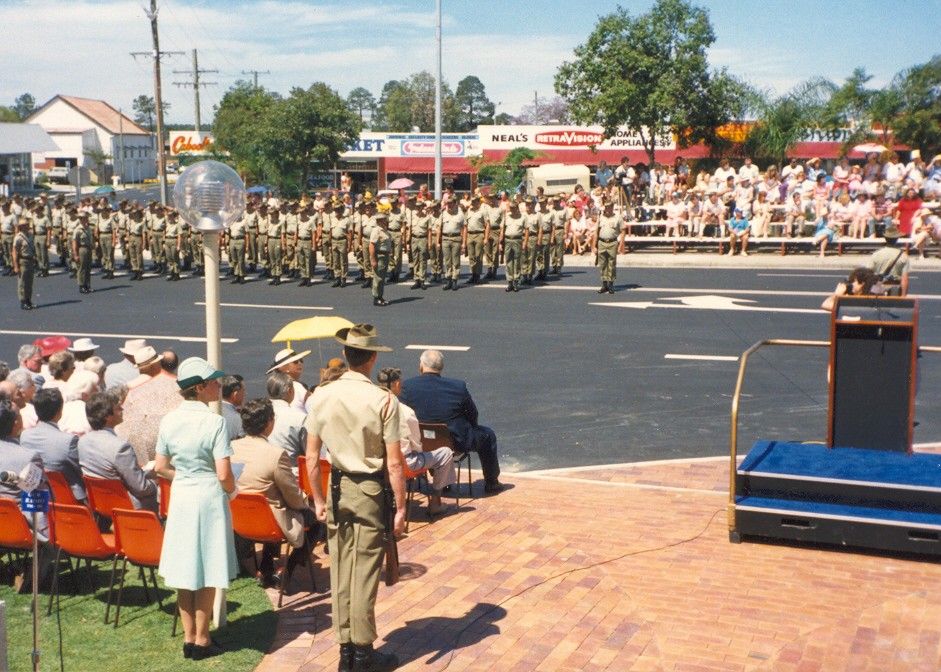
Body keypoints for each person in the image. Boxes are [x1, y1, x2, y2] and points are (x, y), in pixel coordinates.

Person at [303, 324, 405, 672]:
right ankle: (361, 653)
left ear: (346, 355)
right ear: (373, 357)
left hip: (336, 487)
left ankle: (345, 649)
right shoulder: (383, 400)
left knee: (342, 569)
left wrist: (317, 499)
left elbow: (313, 458)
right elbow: (394, 462)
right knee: (364, 572)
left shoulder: (320, 395)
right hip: (369, 489)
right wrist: (403, 507)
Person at [154, 357, 237, 661]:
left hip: (183, 496)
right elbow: (225, 474)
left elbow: (161, 467)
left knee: (186, 568)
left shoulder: (169, 420)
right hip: (208, 497)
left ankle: (190, 637)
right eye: (213, 382)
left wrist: (187, 476)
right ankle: (202, 638)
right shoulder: (214, 422)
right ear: (200, 388)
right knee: (209, 568)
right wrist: (232, 490)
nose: (218, 386)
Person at [231, 397, 314, 587]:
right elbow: (294, 497)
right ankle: (287, 571)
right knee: (316, 521)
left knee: (274, 503)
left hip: (240, 519)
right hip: (270, 522)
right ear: (269, 423)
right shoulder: (275, 454)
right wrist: (306, 500)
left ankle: (266, 567)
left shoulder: (231, 448)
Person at [399, 349, 503, 494]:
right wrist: (470, 427)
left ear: (421, 366)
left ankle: (441, 479)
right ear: (441, 367)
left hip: (421, 442)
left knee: (431, 437)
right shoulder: (457, 387)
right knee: (487, 435)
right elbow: (473, 414)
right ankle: (492, 482)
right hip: (455, 442)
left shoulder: (407, 387)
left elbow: (402, 415)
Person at [377, 367, 455, 516]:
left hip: (379, 461)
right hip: (405, 464)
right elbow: (416, 444)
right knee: (445, 453)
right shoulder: (405, 412)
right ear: (398, 384)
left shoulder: (371, 407)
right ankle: (435, 503)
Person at [78, 389, 158, 513]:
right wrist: (155, 482)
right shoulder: (120, 447)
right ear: (107, 416)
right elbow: (141, 488)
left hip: (102, 504)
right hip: (128, 507)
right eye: (118, 408)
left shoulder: (83, 441)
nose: (122, 410)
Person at [20, 388, 86, 502]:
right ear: (59, 410)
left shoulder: (25, 436)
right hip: (71, 501)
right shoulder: (68, 441)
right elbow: (81, 471)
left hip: (36, 498)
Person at [266, 371, 307, 462]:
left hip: (261, 466)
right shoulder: (300, 418)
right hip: (291, 470)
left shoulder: (259, 412)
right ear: (290, 391)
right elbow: (310, 452)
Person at [868, 225, 910, 296]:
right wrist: (903, 296)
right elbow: (904, 279)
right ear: (897, 239)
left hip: (878, 288)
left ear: (885, 238)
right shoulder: (903, 256)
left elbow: (869, 273)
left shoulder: (876, 254)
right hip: (894, 288)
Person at [266, 348, 311, 413]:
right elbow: (313, 407)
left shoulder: (274, 385)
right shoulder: (297, 386)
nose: (299, 363)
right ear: (283, 367)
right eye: (295, 361)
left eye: (301, 360)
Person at [593, 201, 625, 294]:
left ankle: (611, 284)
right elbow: (596, 231)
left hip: (612, 242)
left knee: (611, 264)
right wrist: (594, 246)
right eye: (605, 207)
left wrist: (621, 245)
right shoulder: (601, 217)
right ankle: (604, 284)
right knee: (602, 264)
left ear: (612, 207)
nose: (607, 209)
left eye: (608, 207)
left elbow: (623, 231)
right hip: (602, 242)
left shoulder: (617, 217)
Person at [12, 217, 35, 310]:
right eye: (24, 225)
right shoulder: (18, 237)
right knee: (22, 282)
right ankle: (23, 301)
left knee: (29, 282)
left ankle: (28, 300)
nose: (27, 226)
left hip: (30, 260)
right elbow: (14, 252)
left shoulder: (30, 235)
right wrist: (16, 266)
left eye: (27, 224)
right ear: (21, 227)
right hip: (23, 261)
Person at [220, 374, 245, 440]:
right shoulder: (238, 418)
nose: (245, 394)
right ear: (235, 394)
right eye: (243, 391)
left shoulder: (211, 409)